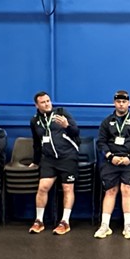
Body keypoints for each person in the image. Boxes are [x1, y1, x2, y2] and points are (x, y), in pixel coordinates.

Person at [95, 90, 130, 240]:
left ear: (129, 103)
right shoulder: (107, 122)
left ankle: (128, 226)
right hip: (111, 161)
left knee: (126, 189)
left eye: (124, 102)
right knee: (110, 190)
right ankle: (104, 225)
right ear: (114, 103)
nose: (121, 104)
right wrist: (110, 156)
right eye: (118, 102)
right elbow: (101, 142)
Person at [28, 91, 80, 235]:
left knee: (67, 188)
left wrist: (66, 126)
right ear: (37, 105)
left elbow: (76, 132)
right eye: (43, 102)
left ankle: (65, 221)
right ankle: (39, 221)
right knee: (43, 187)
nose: (47, 104)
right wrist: (36, 161)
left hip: (67, 157)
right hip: (48, 159)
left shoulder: (62, 113)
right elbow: (37, 143)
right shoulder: (34, 121)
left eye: (48, 101)